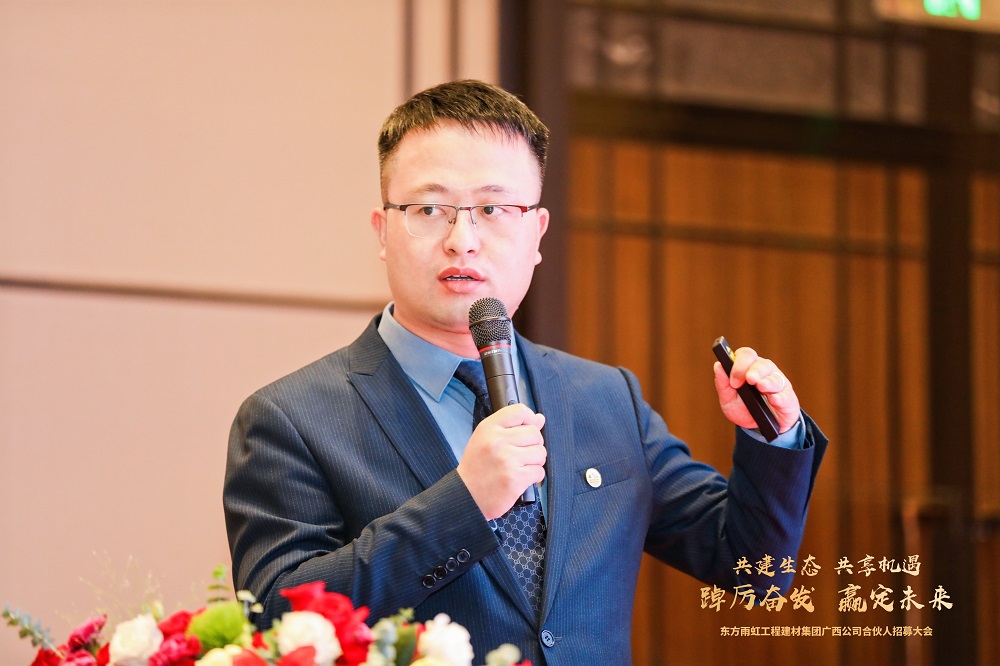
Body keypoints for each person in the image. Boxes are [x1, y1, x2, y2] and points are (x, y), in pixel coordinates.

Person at [224, 79, 827, 665]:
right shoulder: (292, 418)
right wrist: (464, 503)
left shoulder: (605, 398)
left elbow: (756, 571)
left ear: (537, 233)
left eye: (493, 208)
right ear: (383, 231)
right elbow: (276, 619)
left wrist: (773, 436)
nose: (463, 240)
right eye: (429, 208)